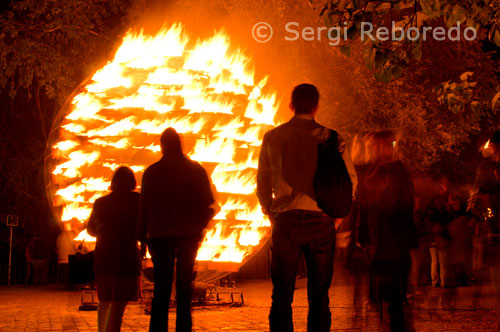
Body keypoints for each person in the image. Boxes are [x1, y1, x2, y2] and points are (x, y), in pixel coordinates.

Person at [257, 83, 357, 332]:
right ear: (316, 107)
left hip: (285, 221)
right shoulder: (332, 137)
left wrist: (271, 211)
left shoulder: (273, 137)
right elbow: (351, 181)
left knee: (281, 294)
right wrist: (336, 217)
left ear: (291, 106)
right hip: (321, 220)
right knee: (319, 295)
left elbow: (262, 182)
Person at [139, 127, 215, 332]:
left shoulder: (152, 172)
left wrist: (143, 238)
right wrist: (199, 226)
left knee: (161, 289)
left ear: (162, 146)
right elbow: (209, 204)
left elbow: (143, 207)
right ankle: (184, 329)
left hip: (159, 237)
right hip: (188, 237)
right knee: (184, 289)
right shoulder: (195, 170)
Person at [362, 131, 417, 332]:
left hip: (390, 243)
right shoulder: (390, 169)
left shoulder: (389, 170)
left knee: (391, 298)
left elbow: (370, 197)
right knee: (390, 298)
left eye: (376, 145)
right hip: (387, 242)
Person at [87, 166, 141, 332]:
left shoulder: (100, 202)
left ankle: (102, 329)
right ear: (132, 182)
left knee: (104, 301)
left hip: (103, 257)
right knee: (119, 303)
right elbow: (143, 228)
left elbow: (91, 230)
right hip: (126, 258)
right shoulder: (138, 200)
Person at [56, 221, 77, 285]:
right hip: (71, 259)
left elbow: (57, 247)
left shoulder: (60, 236)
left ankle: (62, 283)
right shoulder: (74, 235)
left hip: (61, 259)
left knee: (64, 273)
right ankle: (71, 283)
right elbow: (77, 246)